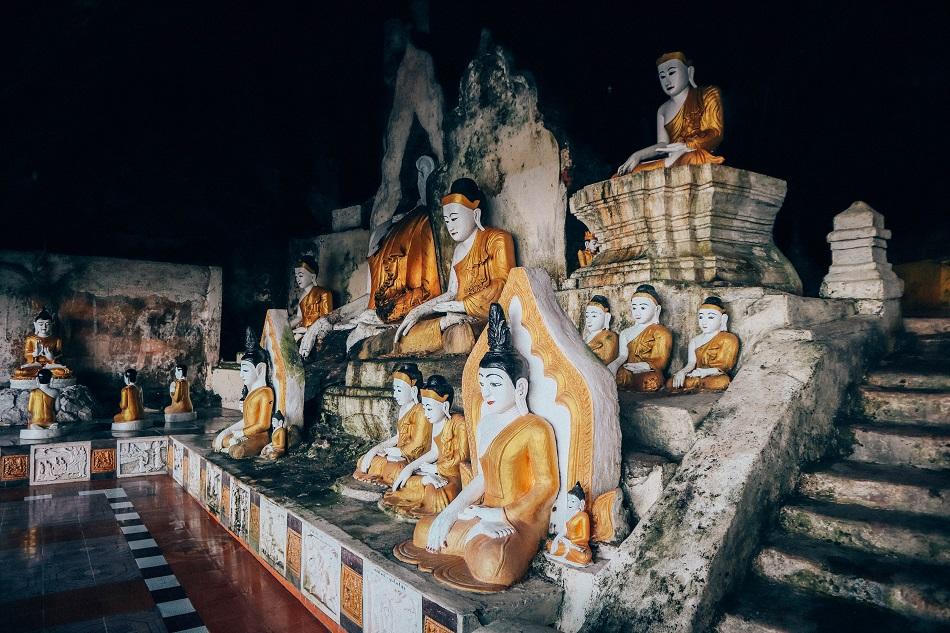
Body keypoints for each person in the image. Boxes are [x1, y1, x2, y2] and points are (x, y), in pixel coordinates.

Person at [394, 303, 559, 592]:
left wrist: (502, 515)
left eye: (494, 383)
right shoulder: (486, 423)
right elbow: (482, 479)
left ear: (519, 388)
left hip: (519, 520)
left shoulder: (536, 428)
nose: (486, 392)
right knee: (425, 530)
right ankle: (473, 536)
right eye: (482, 383)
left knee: (493, 563)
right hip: (484, 512)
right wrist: (451, 513)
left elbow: (546, 487)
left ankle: (476, 541)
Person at [394, 178, 515, 355]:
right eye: (447, 220)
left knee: (460, 335)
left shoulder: (498, 239)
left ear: (475, 215)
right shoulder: (458, 250)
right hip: (457, 317)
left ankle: (449, 328)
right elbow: (452, 292)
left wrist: (462, 306)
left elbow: (503, 285)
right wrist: (418, 311)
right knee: (407, 336)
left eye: (454, 218)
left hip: (483, 318)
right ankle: (446, 324)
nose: (450, 226)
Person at [617, 52, 724, 176]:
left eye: (672, 73)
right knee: (627, 173)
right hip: (672, 159)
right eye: (662, 76)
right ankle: (670, 163)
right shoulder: (663, 109)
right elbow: (663, 145)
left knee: (691, 159)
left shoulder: (708, 94)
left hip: (696, 153)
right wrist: (638, 155)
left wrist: (687, 145)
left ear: (689, 72)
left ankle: (671, 163)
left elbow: (716, 132)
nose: (667, 81)